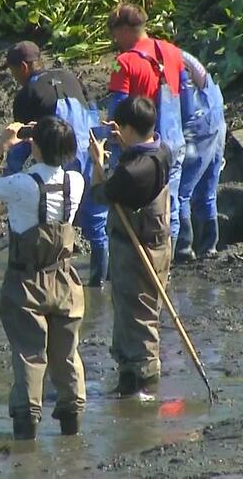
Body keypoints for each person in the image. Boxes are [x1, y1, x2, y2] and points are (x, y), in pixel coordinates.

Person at [0, 116, 86, 439]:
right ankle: (72, 431)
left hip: (26, 283)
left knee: (29, 355)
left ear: (34, 146)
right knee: (66, 356)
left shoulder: (21, 185)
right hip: (64, 279)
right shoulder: (76, 182)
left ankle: (26, 433)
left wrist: (0, 148)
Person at [0, 41, 110, 287]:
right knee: (97, 222)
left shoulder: (26, 95)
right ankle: (99, 282)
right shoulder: (70, 77)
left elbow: (21, 142)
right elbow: (92, 114)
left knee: (55, 222)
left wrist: (11, 181)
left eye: (13, 70)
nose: (14, 76)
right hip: (89, 155)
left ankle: (53, 278)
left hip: (59, 162)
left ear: (25, 67)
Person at [89, 96, 172, 397]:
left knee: (137, 315)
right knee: (141, 311)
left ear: (127, 127)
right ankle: (130, 378)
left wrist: (99, 162)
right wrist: (125, 143)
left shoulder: (131, 172)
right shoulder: (161, 150)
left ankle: (143, 386)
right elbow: (133, 166)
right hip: (159, 242)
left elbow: (101, 193)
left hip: (136, 250)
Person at [107, 2, 187, 244]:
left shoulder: (121, 61)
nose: (114, 38)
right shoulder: (172, 52)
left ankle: (130, 256)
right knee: (169, 202)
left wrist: (111, 136)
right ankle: (171, 255)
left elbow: (117, 106)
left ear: (124, 30)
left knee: (126, 204)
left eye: (114, 32)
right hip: (173, 140)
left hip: (140, 145)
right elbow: (184, 91)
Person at [175, 51, 226, 261]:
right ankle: (209, 247)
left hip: (197, 126)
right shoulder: (184, 56)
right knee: (207, 189)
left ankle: (184, 250)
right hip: (215, 117)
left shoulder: (166, 61)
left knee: (181, 191)